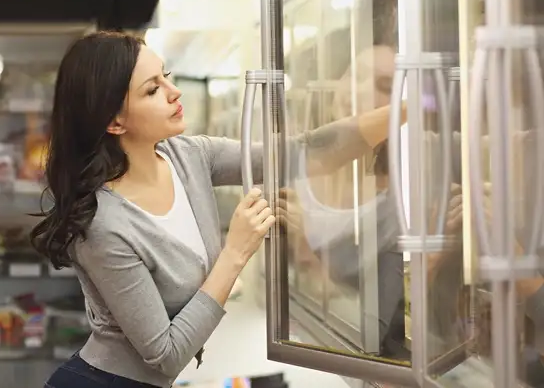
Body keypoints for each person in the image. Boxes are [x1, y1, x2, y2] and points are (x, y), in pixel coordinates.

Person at [31, 31, 400, 388]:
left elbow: (301, 153)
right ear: (115, 121)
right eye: (152, 89)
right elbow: (166, 354)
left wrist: (401, 110)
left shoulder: (189, 156)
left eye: (167, 77)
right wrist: (236, 250)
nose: (174, 93)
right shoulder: (103, 225)